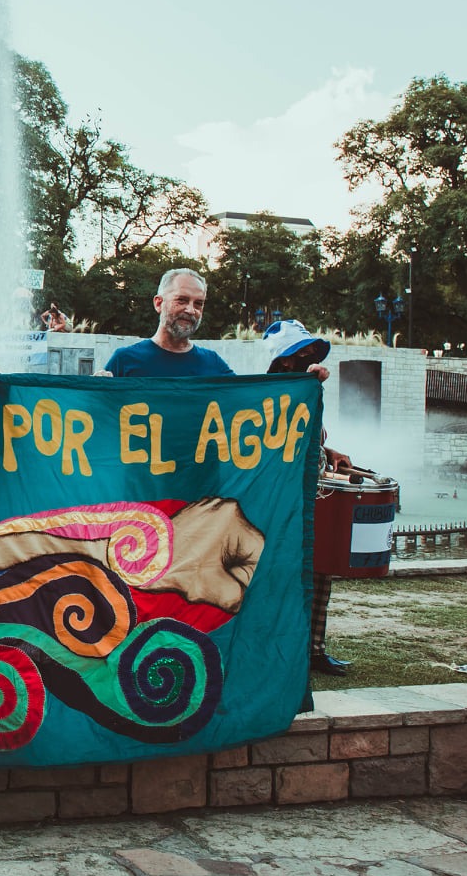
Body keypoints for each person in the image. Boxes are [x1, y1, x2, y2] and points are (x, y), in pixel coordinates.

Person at [264, 320, 352, 677]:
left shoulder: (308, 390)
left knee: (319, 572)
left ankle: (314, 649)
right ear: (285, 360)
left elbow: (308, 436)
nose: (311, 355)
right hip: (282, 500)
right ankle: (281, 648)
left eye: (312, 350)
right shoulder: (268, 395)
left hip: (312, 496)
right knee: (283, 576)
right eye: (302, 351)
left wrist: (327, 450)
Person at [101, 270, 233, 377]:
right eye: (181, 300)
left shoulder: (214, 364)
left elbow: (240, 397)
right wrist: (96, 390)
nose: (191, 310)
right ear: (158, 303)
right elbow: (103, 401)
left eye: (198, 303)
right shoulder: (124, 360)